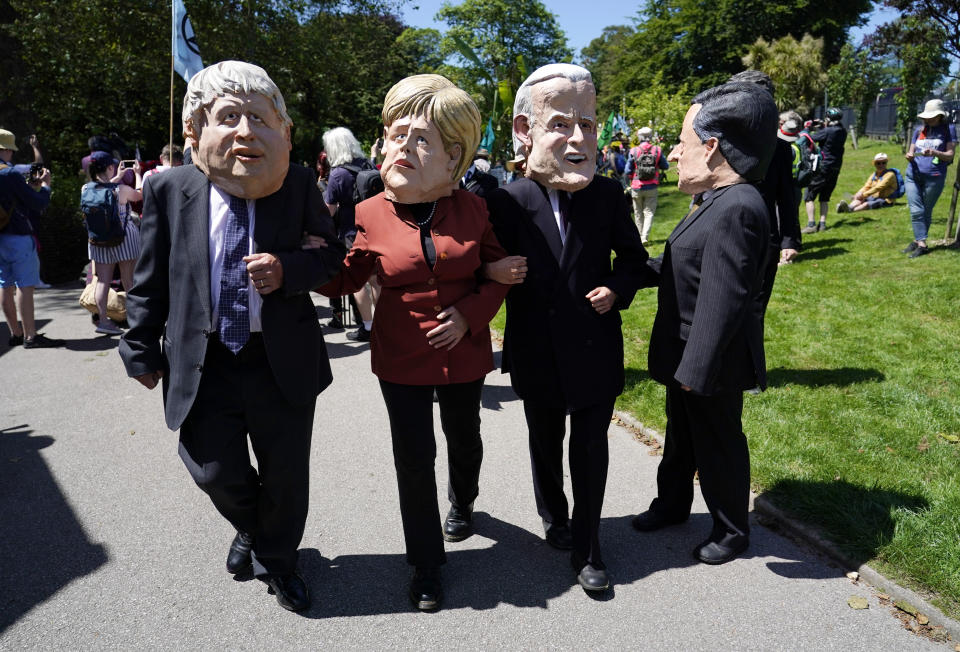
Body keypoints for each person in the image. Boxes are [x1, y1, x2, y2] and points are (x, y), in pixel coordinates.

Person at [118, 60, 345, 612]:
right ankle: (254, 527)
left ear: (280, 128)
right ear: (197, 130)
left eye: (257, 117)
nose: (245, 131)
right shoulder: (171, 187)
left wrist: (288, 271)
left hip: (279, 357)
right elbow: (151, 277)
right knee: (214, 470)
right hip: (207, 358)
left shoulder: (294, 181)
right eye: (230, 117)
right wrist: (139, 344)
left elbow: (331, 257)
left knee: (287, 477)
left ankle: (278, 561)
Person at [315, 74, 509, 612]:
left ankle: (464, 502)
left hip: (463, 354)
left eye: (420, 139)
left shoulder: (473, 209)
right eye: (396, 135)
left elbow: (497, 273)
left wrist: (470, 317)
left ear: (453, 158)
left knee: (464, 438)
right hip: (400, 357)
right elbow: (345, 281)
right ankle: (425, 564)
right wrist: (307, 261)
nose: (403, 147)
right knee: (413, 459)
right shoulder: (369, 212)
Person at [484, 63, 653, 592]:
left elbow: (636, 261)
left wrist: (618, 289)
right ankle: (554, 515)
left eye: (589, 123)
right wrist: (491, 271)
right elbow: (473, 263)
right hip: (536, 351)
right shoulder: (505, 200)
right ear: (524, 130)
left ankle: (589, 546)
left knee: (590, 446)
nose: (579, 137)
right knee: (545, 440)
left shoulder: (606, 195)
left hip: (594, 348)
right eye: (560, 123)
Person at [630, 82, 776, 566]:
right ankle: (672, 506)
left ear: (712, 148)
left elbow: (725, 299)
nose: (673, 153)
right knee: (682, 437)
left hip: (710, 359)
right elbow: (681, 263)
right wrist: (621, 276)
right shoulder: (713, 200)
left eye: (683, 142)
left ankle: (733, 530)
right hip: (687, 353)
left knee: (718, 444)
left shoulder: (738, 207)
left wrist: (697, 371)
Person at [728, 70, 800, 311]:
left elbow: (786, 195)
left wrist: (789, 240)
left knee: (754, 310)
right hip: (722, 233)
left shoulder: (779, 149)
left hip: (763, 237)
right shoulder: (719, 141)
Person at [0, 129, 63, 348]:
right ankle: (30, 337)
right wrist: (45, 186)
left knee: (4, 285)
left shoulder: (10, 172)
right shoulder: (9, 174)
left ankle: (15, 333)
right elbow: (38, 203)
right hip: (17, 235)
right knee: (24, 286)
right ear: (6, 149)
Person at [322, 127, 378, 339]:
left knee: (358, 281)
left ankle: (368, 326)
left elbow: (328, 210)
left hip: (351, 234)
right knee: (376, 280)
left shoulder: (338, 174)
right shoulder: (368, 166)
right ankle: (383, 325)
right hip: (375, 230)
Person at [84, 151, 142, 335]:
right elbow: (139, 195)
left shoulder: (85, 189)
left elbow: (103, 188)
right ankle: (135, 321)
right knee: (128, 280)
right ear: (110, 167)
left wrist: (116, 177)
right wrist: (138, 174)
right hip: (124, 239)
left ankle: (103, 321)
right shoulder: (121, 190)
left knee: (102, 281)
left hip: (98, 241)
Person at [902, 99, 957, 258]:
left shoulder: (949, 129)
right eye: (927, 117)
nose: (928, 119)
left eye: (932, 117)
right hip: (913, 174)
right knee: (916, 210)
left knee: (926, 210)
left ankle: (917, 240)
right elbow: (911, 151)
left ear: (940, 116)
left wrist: (935, 153)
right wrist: (909, 156)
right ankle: (922, 244)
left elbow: (949, 156)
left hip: (934, 176)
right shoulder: (919, 130)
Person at [802, 107, 847, 234]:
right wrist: (823, 126)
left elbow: (809, 139)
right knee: (824, 197)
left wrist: (808, 128)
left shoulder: (827, 131)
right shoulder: (843, 131)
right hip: (836, 167)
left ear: (828, 118)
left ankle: (811, 224)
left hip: (823, 166)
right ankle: (822, 224)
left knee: (809, 195)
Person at [625, 126, 670, 244]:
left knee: (638, 213)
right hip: (652, 186)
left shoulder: (633, 151)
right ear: (650, 137)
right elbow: (665, 166)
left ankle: (638, 237)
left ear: (639, 137)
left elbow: (627, 170)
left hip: (636, 186)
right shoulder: (657, 150)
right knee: (649, 212)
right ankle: (644, 237)